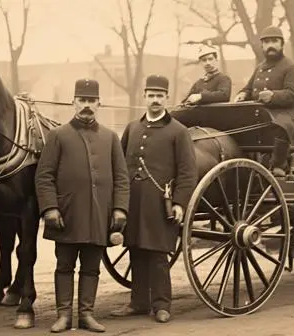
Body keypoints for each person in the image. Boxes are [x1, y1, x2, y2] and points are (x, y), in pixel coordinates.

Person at [35, 78, 129, 333]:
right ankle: (63, 316)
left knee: (91, 268)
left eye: (91, 101)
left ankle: (86, 315)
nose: (86, 105)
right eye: (82, 100)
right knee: (64, 266)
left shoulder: (110, 138)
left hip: (100, 215)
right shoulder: (58, 136)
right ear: (73, 102)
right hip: (66, 215)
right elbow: (44, 176)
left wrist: (120, 209)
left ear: (99, 103)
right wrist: (50, 208)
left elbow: (122, 178)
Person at [111, 75, 197, 323]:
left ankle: (162, 305)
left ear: (167, 98)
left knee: (158, 254)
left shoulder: (178, 132)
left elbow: (187, 171)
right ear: (144, 97)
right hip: (133, 202)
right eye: (151, 95)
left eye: (160, 96)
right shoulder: (132, 128)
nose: (155, 100)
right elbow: (119, 165)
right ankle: (138, 303)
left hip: (161, 203)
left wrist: (180, 202)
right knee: (135, 249)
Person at [234, 25, 294, 176]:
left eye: (274, 41)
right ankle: (241, 165)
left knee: (282, 125)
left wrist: (273, 96)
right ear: (262, 46)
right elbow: (248, 88)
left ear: (282, 44)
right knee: (235, 124)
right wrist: (242, 94)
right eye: (266, 42)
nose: (270, 45)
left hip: (284, 113)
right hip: (259, 113)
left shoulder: (291, 67)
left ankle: (279, 164)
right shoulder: (260, 67)